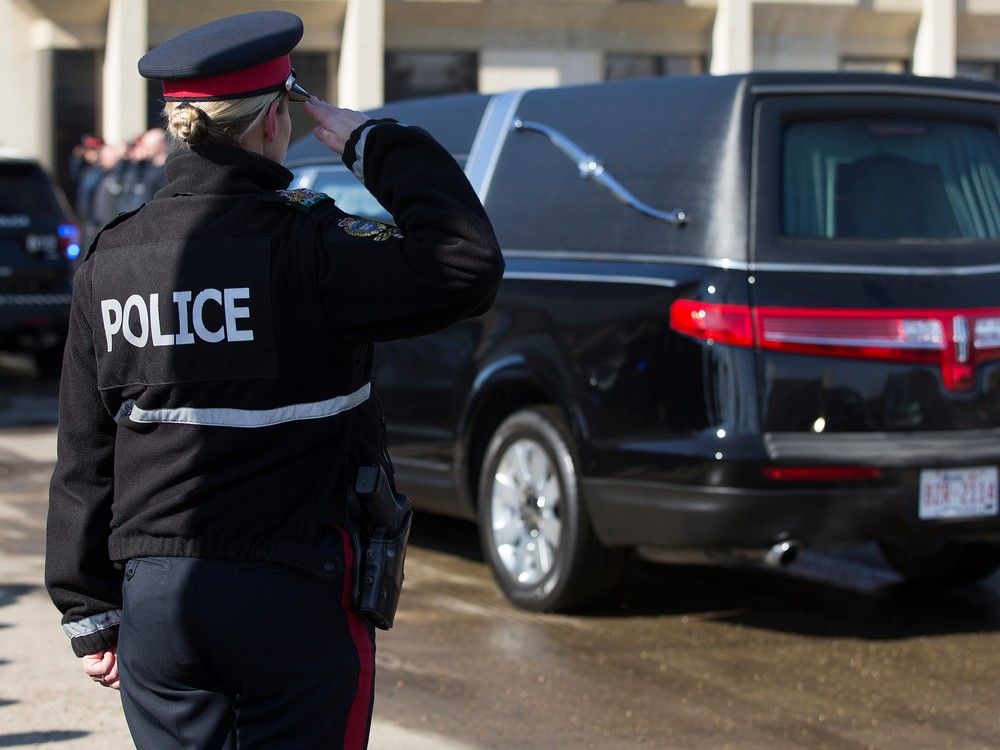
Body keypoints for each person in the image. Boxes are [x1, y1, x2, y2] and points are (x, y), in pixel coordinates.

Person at [44, 9, 503, 750]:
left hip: (159, 602)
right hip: (295, 592)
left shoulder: (111, 260)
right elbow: (466, 262)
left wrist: (85, 606)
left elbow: (85, 451)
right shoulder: (311, 247)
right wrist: (372, 141)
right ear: (270, 126)